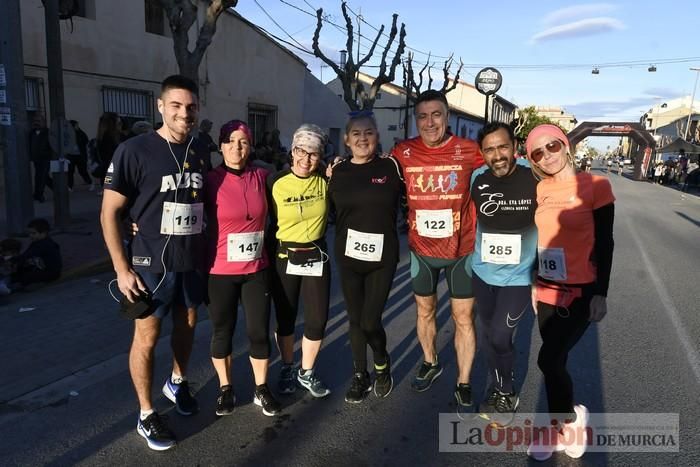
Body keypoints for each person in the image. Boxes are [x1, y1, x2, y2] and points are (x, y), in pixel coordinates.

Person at [100, 75, 207, 451]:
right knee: (147, 337)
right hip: (149, 264)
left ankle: (177, 381)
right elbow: (109, 213)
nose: (184, 113)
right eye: (175, 105)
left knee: (189, 322)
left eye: (191, 106)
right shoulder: (134, 149)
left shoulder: (198, 148)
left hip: (190, 261)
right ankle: (146, 413)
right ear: (160, 106)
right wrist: (121, 269)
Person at [523, 124, 614, 461]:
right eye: (537, 152)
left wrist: (601, 293)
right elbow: (541, 241)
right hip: (547, 289)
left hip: (581, 292)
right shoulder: (541, 189)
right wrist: (534, 281)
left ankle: (569, 420)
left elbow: (606, 242)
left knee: (547, 359)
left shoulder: (596, 186)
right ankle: (558, 425)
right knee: (554, 360)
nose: (547, 156)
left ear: (565, 145)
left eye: (552, 146)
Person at [390, 90, 484, 407]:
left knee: (463, 318)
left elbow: (500, 173)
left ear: (447, 116)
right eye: (423, 116)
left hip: (462, 251)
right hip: (422, 251)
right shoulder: (402, 151)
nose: (429, 122)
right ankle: (430, 362)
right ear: (416, 119)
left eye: (436, 115)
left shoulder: (470, 151)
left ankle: (464, 380)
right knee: (425, 311)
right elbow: (374, 175)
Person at [204, 119, 281, 417]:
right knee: (222, 332)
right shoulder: (210, 180)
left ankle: (261, 388)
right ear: (221, 145)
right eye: (231, 141)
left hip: (256, 269)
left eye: (244, 141)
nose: (237, 147)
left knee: (258, 332)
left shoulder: (263, 176)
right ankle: (226, 389)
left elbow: (293, 185)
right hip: (219, 271)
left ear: (250, 146)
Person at [328, 112, 404, 403]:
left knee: (370, 321)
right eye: (356, 133)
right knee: (355, 319)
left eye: (369, 132)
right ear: (346, 140)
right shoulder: (336, 171)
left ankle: (382, 364)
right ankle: (360, 375)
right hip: (348, 256)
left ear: (377, 136)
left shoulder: (391, 166)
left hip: (383, 257)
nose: (363, 138)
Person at [471, 122, 537, 425]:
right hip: (483, 274)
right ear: (482, 153)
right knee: (490, 336)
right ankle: (497, 386)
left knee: (500, 334)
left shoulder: (534, 175)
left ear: (514, 147)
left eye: (503, 147)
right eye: (489, 149)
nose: (497, 155)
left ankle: (507, 391)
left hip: (519, 277)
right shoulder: (477, 178)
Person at [267, 124, 332, 398]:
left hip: (316, 254)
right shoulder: (275, 182)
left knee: (317, 319)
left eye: (313, 154)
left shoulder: (327, 181)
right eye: (301, 151)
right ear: (292, 151)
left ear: (320, 157)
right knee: (286, 318)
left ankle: (306, 371)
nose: (306, 160)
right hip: (285, 255)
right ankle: (287, 366)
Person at [13, 218, 62, 287]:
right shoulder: (38, 242)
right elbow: (26, 254)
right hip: (43, 268)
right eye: (29, 233)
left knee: (25, 276)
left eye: (33, 233)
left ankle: (16, 286)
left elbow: (27, 255)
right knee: (22, 269)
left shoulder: (44, 244)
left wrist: (14, 260)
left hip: (51, 273)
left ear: (44, 233)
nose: (30, 236)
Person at [94, 112, 123, 195]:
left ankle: (106, 189)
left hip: (108, 166)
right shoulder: (109, 137)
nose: (120, 123)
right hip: (111, 165)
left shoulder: (103, 136)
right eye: (118, 121)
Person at [28, 114, 53, 202]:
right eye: (35, 121)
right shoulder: (31, 133)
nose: (36, 123)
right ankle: (57, 189)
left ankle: (39, 195)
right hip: (36, 158)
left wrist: (49, 154)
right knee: (41, 176)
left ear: (44, 122)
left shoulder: (48, 132)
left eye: (39, 121)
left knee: (42, 176)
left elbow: (52, 145)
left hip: (45, 158)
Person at [67, 120, 92, 190]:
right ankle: (70, 186)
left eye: (77, 125)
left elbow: (86, 142)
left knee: (82, 170)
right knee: (70, 171)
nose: (77, 126)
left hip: (80, 155)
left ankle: (90, 182)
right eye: (76, 125)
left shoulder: (81, 133)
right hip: (70, 155)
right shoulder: (68, 134)